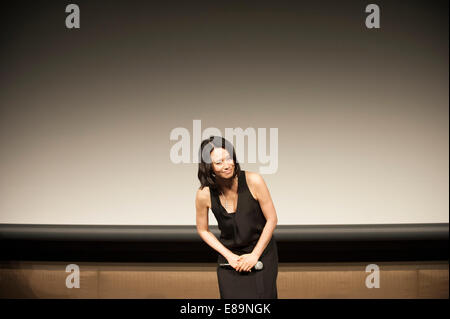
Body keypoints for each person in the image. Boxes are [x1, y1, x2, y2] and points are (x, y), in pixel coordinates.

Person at [195, 135, 279, 299]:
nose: (226, 165)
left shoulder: (254, 180)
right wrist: (229, 256)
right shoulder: (203, 194)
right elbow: (203, 230)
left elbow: (272, 219)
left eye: (228, 158)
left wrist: (254, 255)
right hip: (231, 257)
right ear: (208, 167)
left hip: (261, 252)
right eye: (218, 162)